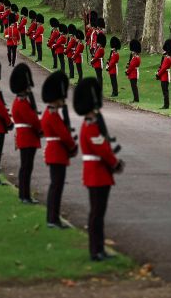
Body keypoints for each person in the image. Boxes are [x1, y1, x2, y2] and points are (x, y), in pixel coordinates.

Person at [74, 78, 124, 261]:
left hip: (98, 172)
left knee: (98, 213)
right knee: (96, 214)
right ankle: (95, 250)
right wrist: (115, 163)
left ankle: (98, 248)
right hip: (97, 173)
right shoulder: (90, 125)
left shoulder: (91, 123)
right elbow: (102, 148)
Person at [41, 71, 78, 228]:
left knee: (56, 186)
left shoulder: (50, 113)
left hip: (56, 152)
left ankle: (53, 217)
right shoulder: (52, 115)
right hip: (57, 153)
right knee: (56, 186)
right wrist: (72, 146)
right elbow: (63, 134)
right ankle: (53, 218)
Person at [10, 64, 43, 204]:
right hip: (27, 137)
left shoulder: (20, 101)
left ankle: (24, 194)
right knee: (26, 168)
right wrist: (40, 128)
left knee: (26, 167)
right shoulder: (21, 102)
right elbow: (32, 120)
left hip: (26, 137)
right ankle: (25, 196)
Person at [157, 39, 171, 109]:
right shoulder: (167, 58)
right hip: (164, 76)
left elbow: (163, 68)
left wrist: (158, 74)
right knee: (165, 91)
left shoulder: (167, 58)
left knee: (165, 91)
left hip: (165, 76)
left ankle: (166, 105)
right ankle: (166, 104)